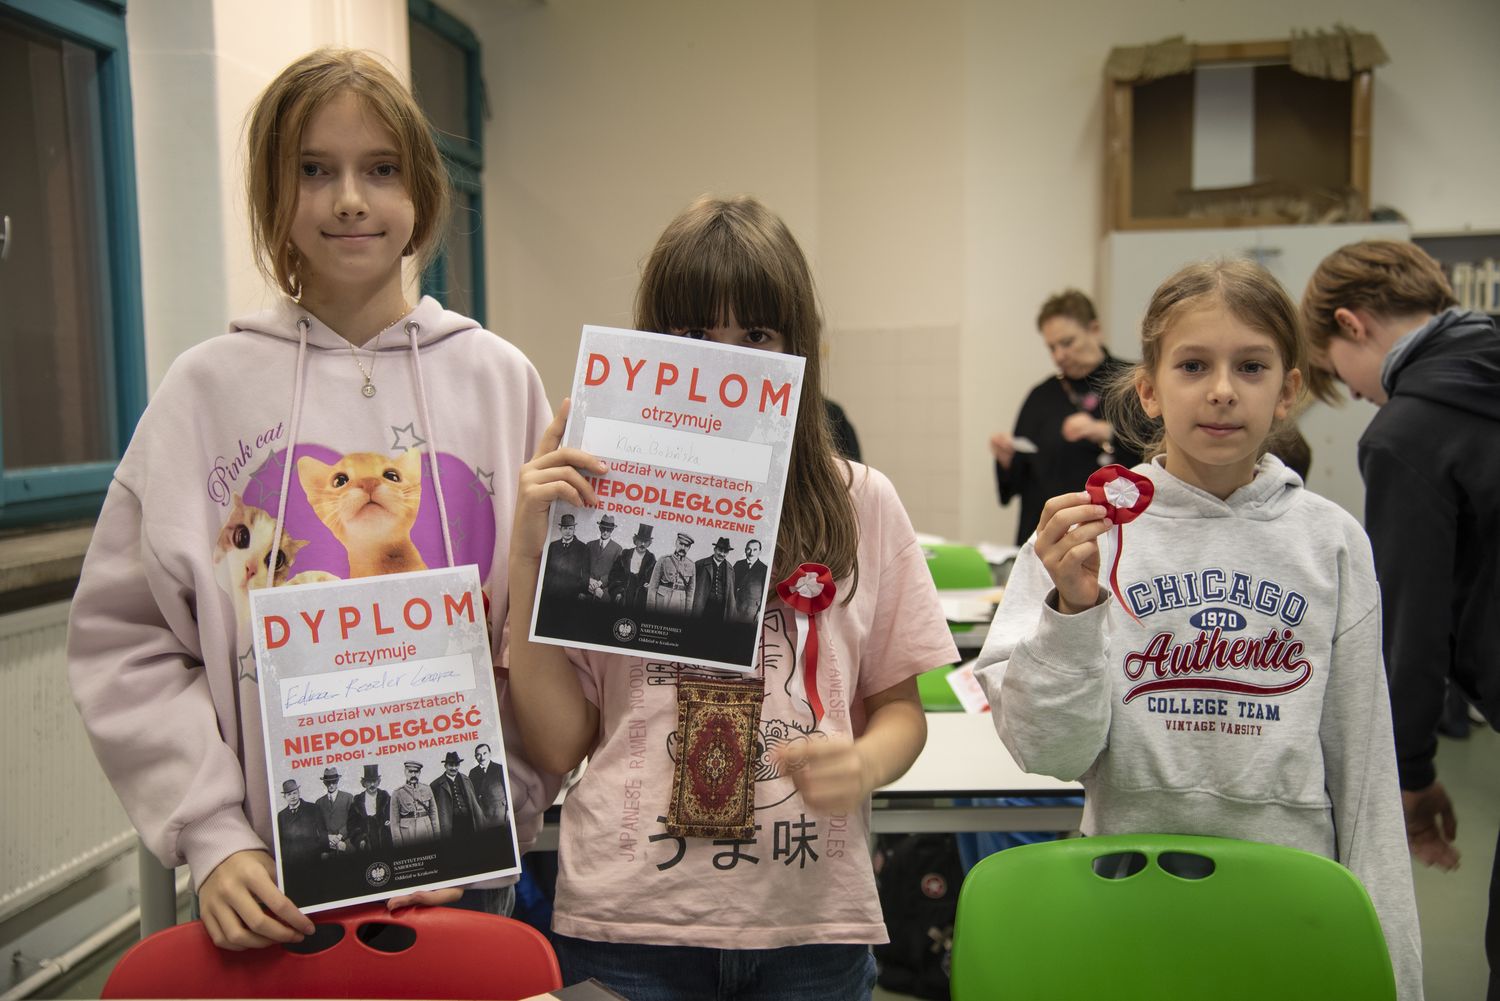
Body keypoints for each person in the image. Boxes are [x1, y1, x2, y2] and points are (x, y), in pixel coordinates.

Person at [65, 49, 556, 950]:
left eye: (381, 169)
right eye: (315, 170)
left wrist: (500, 814)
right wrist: (212, 834)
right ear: (272, 196)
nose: (350, 200)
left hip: (463, 875)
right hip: (270, 888)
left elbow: (546, 633)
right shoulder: (204, 392)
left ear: (423, 192)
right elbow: (126, 644)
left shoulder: (500, 381)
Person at [506, 195, 959, 1001]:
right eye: (691, 336)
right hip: (631, 922)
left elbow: (901, 710)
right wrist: (528, 549)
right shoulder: (600, 500)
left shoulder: (861, 501)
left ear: (797, 348)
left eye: (756, 336)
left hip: (809, 922)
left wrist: (863, 763)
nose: (724, 366)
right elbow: (555, 743)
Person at [974, 259, 1422, 1000]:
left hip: (1291, 910)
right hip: (1127, 900)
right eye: (1192, 365)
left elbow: (1366, 775)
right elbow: (1048, 752)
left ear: (1288, 391)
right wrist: (1072, 614)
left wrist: (1396, 977)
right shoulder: (1083, 537)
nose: (1221, 389)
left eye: (1251, 366)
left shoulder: (1332, 543)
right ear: (1148, 389)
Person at [1302, 238, 1499, 998]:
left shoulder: (1407, 433)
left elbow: (1408, 624)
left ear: (1351, 325)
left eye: (1341, 377)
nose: (1360, 396)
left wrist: (1410, 773)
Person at [989, 290, 1143, 544]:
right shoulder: (1041, 396)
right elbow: (1016, 482)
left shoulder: (1133, 383)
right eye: (1052, 347)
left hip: (1113, 537)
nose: (1059, 355)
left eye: (1067, 343)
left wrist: (1106, 432)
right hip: (1044, 538)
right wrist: (1006, 460)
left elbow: (1157, 453)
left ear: (1094, 330)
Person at [430, 751, 483, 839]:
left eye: (457, 765)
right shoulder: (436, 785)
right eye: (451, 765)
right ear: (445, 766)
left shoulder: (466, 780)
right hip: (451, 826)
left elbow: (474, 802)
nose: (454, 768)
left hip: (469, 823)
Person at [276, 780, 328, 868]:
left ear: (299, 793)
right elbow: (281, 840)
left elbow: (323, 831)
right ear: (284, 797)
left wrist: (325, 851)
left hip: (312, 858)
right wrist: (284, 857)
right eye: (289, 794)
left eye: (294, 793)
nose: (292, 797)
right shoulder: (281, 815)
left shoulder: (313, 808)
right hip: (291, 861)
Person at [606, 523, 656, 609]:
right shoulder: (625, 555)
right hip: (622, 597)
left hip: (639, 601)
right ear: (635, 540)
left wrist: (649, 586)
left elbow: (653, 581)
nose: (643, 544)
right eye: (640, 540)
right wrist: (617, 592)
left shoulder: (651, 560)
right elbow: (613, 576)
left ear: (649, 543)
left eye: (646, 541)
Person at [646, 532, 696, 614]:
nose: (683, 547)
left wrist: (688, 612)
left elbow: (691, 591)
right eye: (681, 544)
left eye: (686, 546)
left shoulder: (691, 565)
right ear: (676, 543)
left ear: (689, 547)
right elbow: (653, 586)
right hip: (662, 600)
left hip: (679, 603)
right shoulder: (664, 560)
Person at [543, 512, 590, 599]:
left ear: (574, 529)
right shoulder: (553, 546)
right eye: (565, 528)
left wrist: (583, 591)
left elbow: (586, 573)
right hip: (552, 591)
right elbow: (546, 570)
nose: (567, 531)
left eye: (570, 528)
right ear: (560, 529)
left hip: (572, 593)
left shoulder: (583, 548)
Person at [392, 760, 439, 846]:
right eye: (410, 772)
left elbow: (434, 814)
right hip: (407, 833)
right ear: (405, 772)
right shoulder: (398, 793)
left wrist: (437, 836)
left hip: (426, 830)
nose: (413, 775)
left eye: (416, 772)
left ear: (420, 773)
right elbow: (394, 822)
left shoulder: (427, 789)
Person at [350, 765, 392, 855]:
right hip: (366, 844)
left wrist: (389, 823)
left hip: (384, 843)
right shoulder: (357, 801)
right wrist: (359, 840)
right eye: (369, 782)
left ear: (378, 782)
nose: (372, 785)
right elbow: (352, 826)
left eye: (374, 781)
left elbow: (393, 816)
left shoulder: (386, 798)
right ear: (364, 783)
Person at [691, 537, 736, 620]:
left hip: (721, 610)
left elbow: (731, 592)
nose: (722, 554)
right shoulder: (700, 564)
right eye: (720, 550)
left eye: (725, 551)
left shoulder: (730, 569)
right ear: (714, 549)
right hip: (703, 608)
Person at [314, 767, 355, 855]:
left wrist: (340, 836)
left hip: (346, 841)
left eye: (334, 782)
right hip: (328, 844)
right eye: (328, 782)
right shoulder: (319, 802)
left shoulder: (348, 798)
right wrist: (328, 837)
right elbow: (318, 825)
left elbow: (352, 821)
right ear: (324, 783)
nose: (331, 785)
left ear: (338, 781)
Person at [470, 742, 509, 829]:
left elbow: (508, 791)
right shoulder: (473, 773)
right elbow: (472, 794)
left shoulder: (500, 768)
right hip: (483, 815)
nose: (482, 757)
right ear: (475, 757)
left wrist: (509, 810)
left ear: (490, 753)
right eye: (478, 755)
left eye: (485, 753)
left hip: (500, 812)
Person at [584, 514, 623, 601]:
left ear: (612, 530)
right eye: (603, 528)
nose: (605, 532)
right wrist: (589, 580)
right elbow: (583, 566)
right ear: (599, 528)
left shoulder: (617, 549)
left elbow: (616, 572)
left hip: (604, 590)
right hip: (586, 586)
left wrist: (600, 583)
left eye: (608, 530)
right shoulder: (589, 545)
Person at [731, 538, 768, 622]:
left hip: (751, 611)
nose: (751, 553)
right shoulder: (738, 564)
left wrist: (760, 611)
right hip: (734, 608)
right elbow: (731, 584)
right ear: (745, 550)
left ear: (760, 551)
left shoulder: (764, 569)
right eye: (749, 549)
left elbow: (765, 593)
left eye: (755, 550)